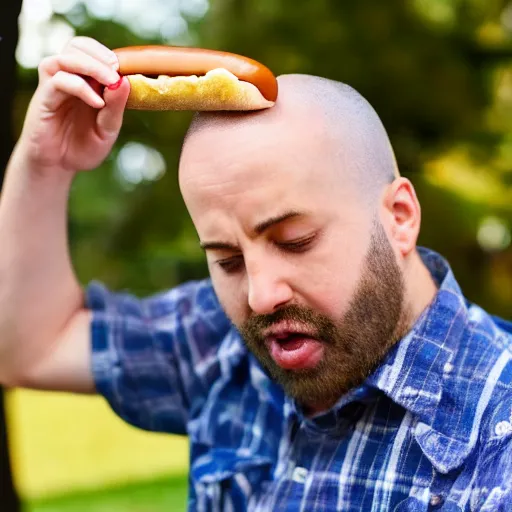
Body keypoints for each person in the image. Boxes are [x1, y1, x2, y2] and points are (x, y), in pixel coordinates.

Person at [0, 36, 511, 512]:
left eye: (295, 242)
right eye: (227, 260)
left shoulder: (498, 435)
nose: (261, 295)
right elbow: (28, 348)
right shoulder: (216, 341)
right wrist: (44, 165)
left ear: (399, 218)